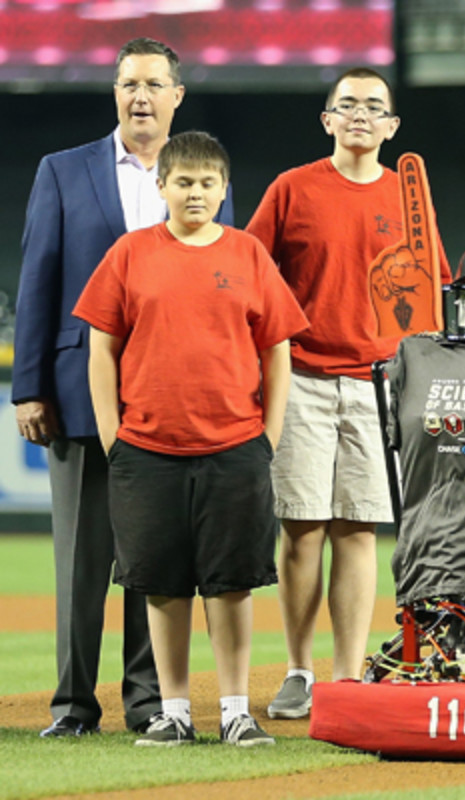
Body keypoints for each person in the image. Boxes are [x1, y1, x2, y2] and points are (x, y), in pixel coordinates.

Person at [12, 37, 233, 738]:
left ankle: (147, 702)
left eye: (154, 84)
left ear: (177, 97)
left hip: (172, 397)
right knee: (82, 563)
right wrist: (29, 388)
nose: (141, 96)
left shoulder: (204, 179)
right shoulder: (63, 171)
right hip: (79, 393)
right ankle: (74, 706)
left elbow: (226, 286)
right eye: (129, 83)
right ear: (115, 93)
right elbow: (38, 280)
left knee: (153, 557)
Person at [73, 131, 309, 746]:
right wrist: (111, 434)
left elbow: (277, 347)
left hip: (235, 446)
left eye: (207, 182)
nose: (195, 192)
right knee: (163, 584)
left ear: (224, 189)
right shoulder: (130, 253)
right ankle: (173, 711)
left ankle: (235, 709)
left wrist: (269, 436)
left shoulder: (249, 253)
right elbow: (102, 346)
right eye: (183, 181)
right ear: (162, 187)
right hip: (147, 449)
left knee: (232, 584)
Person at [246, 67, 452, 718]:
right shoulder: (292, 188)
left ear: (391, 126)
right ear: (327, 119)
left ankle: (347, 676)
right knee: (302, 529)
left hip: (377, 382)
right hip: (302, 377)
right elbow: (252, 274)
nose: (359, 114)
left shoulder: (409, 196)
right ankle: (300, 671)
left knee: (358, 530)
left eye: (373, 106)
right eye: (347, 104)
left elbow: (433, 294)